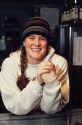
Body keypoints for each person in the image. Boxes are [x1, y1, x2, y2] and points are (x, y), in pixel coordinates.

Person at [0, 16, 69, 115]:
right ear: (24, 42)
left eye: (42, 39)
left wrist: (51, 83)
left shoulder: (60, 63)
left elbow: (50, 110)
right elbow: (15, 106)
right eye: (31, 38)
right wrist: (38, 82)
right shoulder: (10, 64)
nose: (36, 43)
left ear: (47, 42)